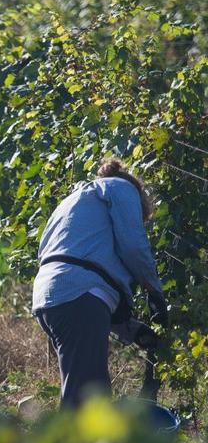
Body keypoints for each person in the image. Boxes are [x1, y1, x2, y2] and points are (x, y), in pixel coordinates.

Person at [33, 157, 166, 407]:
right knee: (86, 399)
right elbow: (134, 247)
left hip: (48, 297)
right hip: (76, 296)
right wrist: (154, 292)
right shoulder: (121, 188)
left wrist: (131, 329)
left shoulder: (75, 200)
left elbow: (88, 280)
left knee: (85, 390)